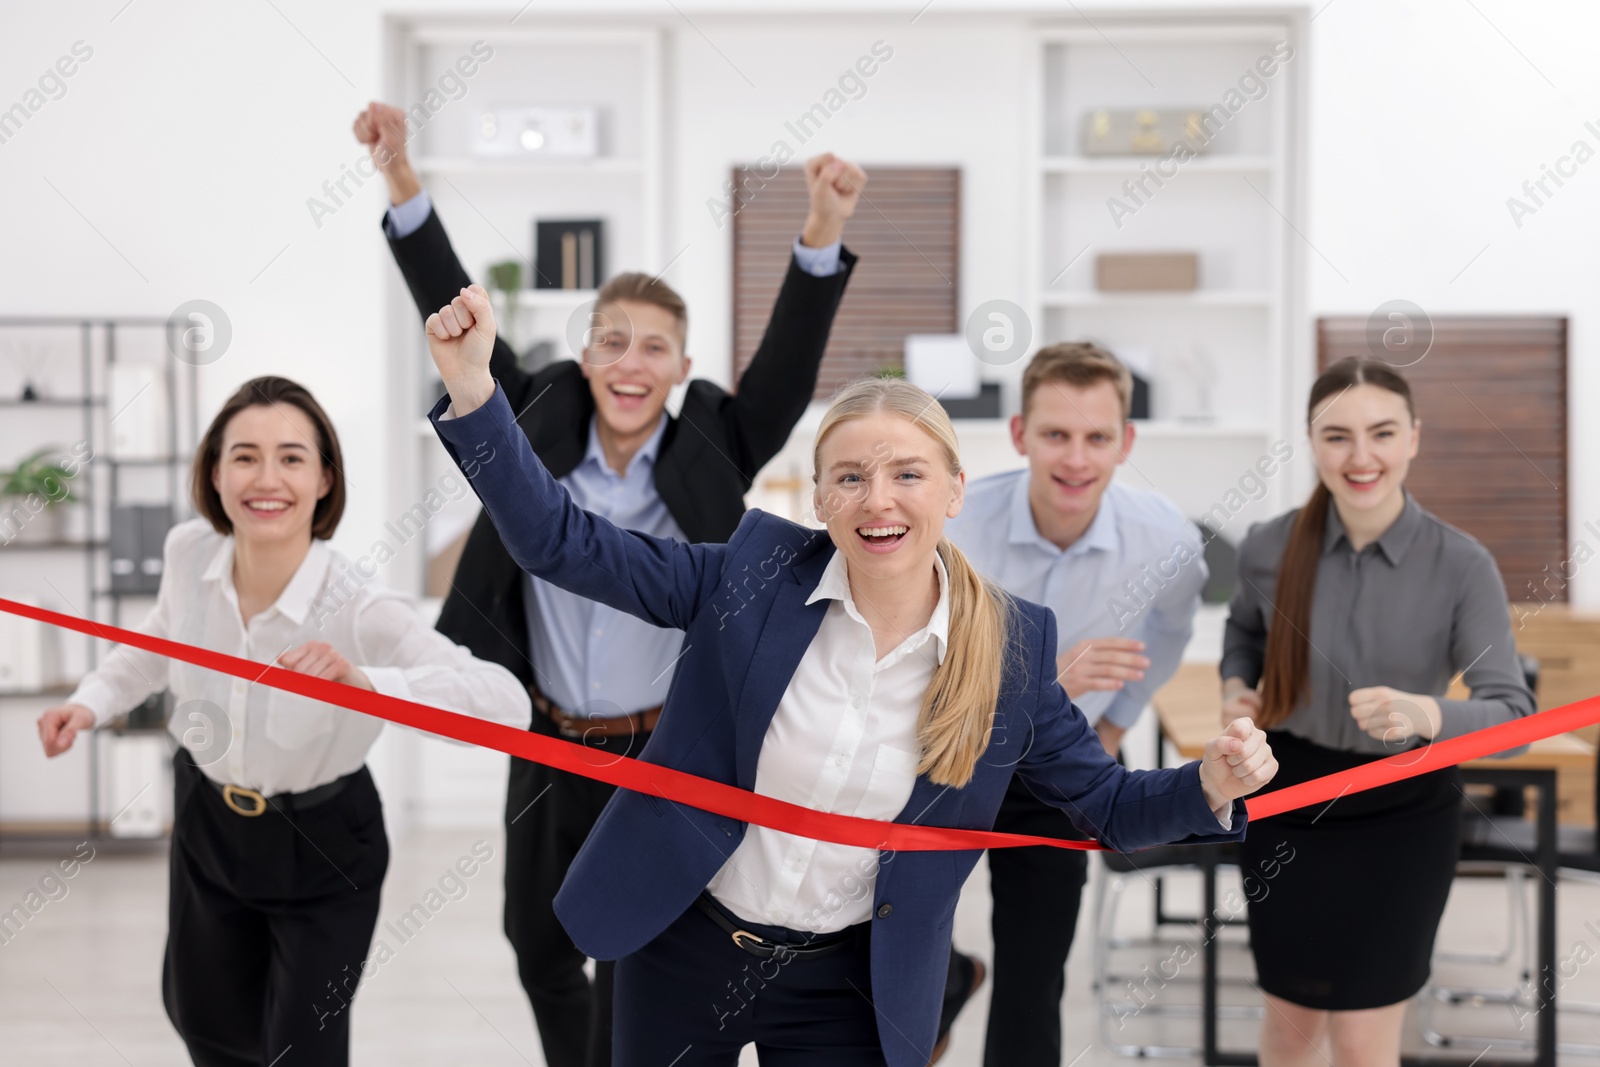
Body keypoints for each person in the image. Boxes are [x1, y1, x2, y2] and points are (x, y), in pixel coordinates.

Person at [420, 284, 1275, 1067]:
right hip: (683, 948)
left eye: (908, 473)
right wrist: (475, 393)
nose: (879, 500)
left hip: (848, 983)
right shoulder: (748, 575)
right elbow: (561, 543)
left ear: (954, 491)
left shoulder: (1010, 652)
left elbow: (1113, 807)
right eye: (851, 477)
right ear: (821, 498)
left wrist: (1210, 780)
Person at [352, 103, 863, 1067]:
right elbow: (463, 323)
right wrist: (402, 181)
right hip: (549, 737)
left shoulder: (719, 437)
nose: (632, 362)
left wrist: (822, 230)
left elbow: (788, 370)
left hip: (664, 748)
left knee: (639, 949)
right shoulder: (537, 414)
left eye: (655, 346)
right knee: (537, 943)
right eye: (613, 342)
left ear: (683, 368)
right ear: (585, 358)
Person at [35, 376, 530, 1067]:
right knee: (204, 1022)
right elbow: (155, 640)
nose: (266, 478)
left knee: (302, 1051)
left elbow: (505, 702)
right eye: (244, 455)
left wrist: (368, 683)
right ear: (214, 470)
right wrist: (89, 700)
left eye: (292, 457)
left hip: (324, 843)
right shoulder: (189, 552)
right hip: (208, 822)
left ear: (326, 477)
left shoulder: (358, 603)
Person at [1221, 357, 1535, 1066]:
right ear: (1310, 441)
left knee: (1364, 1040)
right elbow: (1243, 629)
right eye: (1337, 436)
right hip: (1287, 801)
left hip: (1405, 813)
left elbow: (1513, 715)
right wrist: (1236, 682)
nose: (1361, 457)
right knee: (1290, 1022)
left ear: (1414, 438)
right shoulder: (1269, 546)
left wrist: (1429, 714)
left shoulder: (1463, 565)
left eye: (1382, 433)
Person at [935, 343, 1207, 1065]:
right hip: (952, 751)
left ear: (1126, 442)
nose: (1076, 459)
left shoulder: (1167, 542)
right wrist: (1045, 674)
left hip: (1058, 771)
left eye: (1097, 437)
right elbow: (913, 658)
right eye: (1056, 434)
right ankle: (948, 982)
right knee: (888, 937)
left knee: (1033, 972)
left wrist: (1115, 722)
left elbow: (1172, 630)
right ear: (1020, 433)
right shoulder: (952, 525)